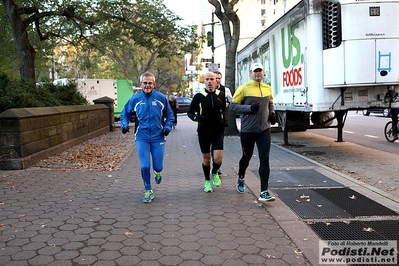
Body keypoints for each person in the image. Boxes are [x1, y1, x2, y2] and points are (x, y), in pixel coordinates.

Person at [120, 72, 175, 203]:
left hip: (158, 137)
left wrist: (167, 128)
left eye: (150, 83)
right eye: (145, 82)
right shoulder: (135, 99)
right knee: (145, 166)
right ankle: (148, 190)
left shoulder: (161, 98)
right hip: (142, 137)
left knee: (158, 166)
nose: (147, 85)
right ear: (140, 84)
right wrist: (124, 125)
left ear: (154, 84)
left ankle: (157, 172)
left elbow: (170, 116)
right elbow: (125, 114)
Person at [229, 62, 276, 202]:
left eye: (260, 71)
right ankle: (241, 176)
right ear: (250, 74)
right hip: (248, 130)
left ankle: (264, 191)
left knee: (265, 159)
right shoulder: (244, 88)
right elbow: (233, 106)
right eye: (255, 71)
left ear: (263, 72)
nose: (258, 73)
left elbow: (271, 103)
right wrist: (249, 108)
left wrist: (272, 113)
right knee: (246, 157)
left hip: (264, 130)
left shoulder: (268, 88)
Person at [187, 72, 227, 192]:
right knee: (207, 159)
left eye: (212, 79)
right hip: (204, 131)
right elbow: (190, 112)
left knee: (218, 159)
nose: (210, 81)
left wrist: (224, 120)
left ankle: (214, 171)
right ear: (204, 81)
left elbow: (224, 110)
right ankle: (207, 181)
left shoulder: (221, 94)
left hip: (218, 131)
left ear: (216, 81)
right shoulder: (199, 96)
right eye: (207, 79)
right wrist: (196, 118)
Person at [212, 71, 233, 176]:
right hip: (209, 122)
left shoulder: (225, 90)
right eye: (215, 78)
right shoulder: (208, 89)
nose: (217, 80)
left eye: (219, 78)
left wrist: (227, 104)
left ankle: (217, 166)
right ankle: (213, 163)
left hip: (221, 121)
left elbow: (232, 101)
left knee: (219, 144)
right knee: (211, 145)